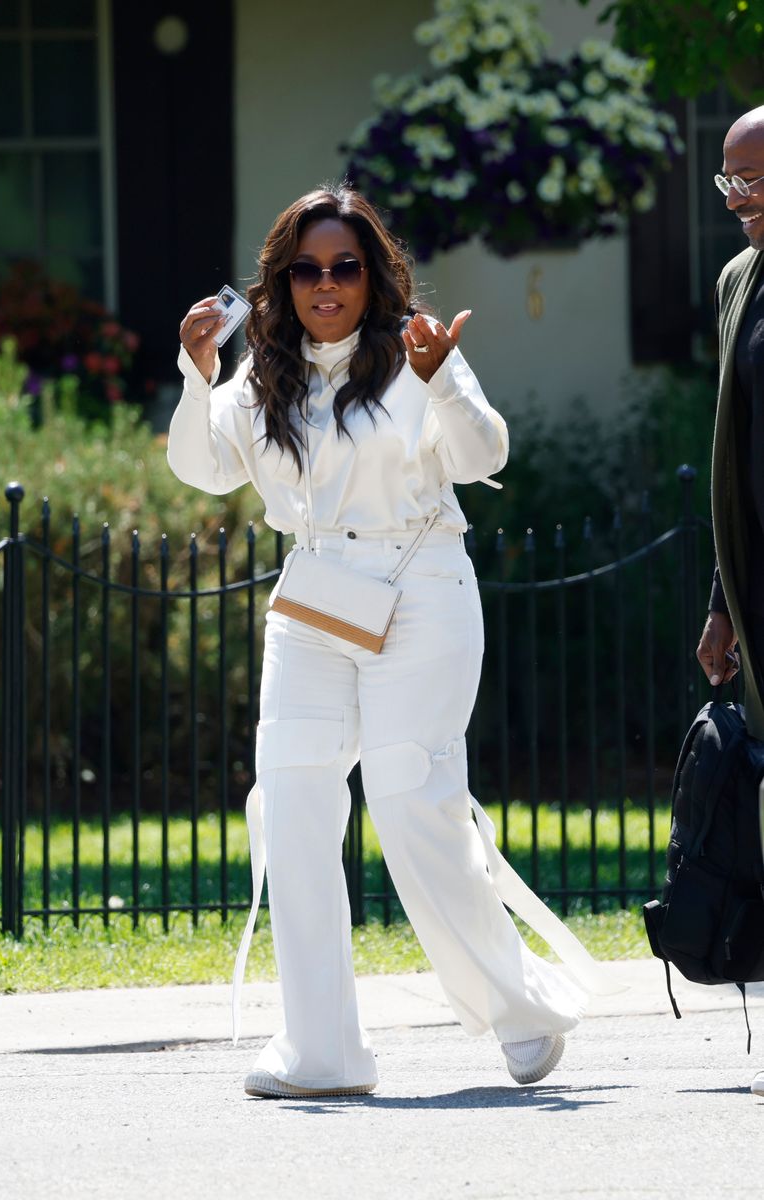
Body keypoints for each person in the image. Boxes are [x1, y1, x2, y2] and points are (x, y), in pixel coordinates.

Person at [167, 185, 607, 1099]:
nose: (325, 285)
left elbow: (486, 455)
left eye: (345, 267)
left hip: (422, 585)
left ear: (374, 275)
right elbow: (204, 469)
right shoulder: (260, 379)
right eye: (307, 269)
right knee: (289, 805)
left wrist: (444, 377)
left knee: (411, 801)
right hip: (318, 599)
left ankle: (518, 1009)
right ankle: (322, 1052)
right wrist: (196, 372)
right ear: (282, 280)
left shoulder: (417, 351)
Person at [694, 106, 764, 1100]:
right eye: (730, 181)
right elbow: (733, 451)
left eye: (755, 177)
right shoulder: (738, 283)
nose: (741, 197)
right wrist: (723, 603)